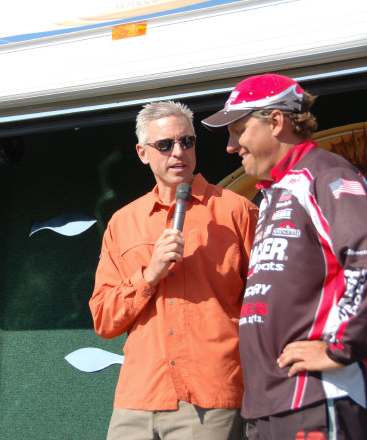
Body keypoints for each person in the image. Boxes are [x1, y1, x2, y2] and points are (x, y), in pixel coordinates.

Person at [202, 73, 367, 439]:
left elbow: (364, 254)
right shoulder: (274, 193)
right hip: (269, 403)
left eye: (238, 131)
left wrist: (341, 347)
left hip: (318, 395)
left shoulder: (325, 173)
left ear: (276, 122)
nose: (231, 146)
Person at [89, 101, 258, 440]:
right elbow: (104, 319)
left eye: (187, 141)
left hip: (211, 396)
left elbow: (266, 306)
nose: (178, 152)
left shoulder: (237, 211)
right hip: (138, 399)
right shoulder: (123, 222)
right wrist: (149, 274)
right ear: (143, 153)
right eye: (165, 145)